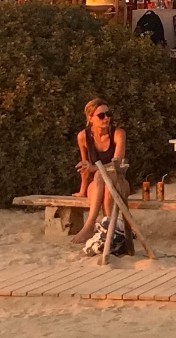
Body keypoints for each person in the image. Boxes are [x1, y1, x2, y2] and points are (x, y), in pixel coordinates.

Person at [71, 99, 128, 244]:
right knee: (100, 179)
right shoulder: (83, 136)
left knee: (101, 176)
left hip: (118, 181)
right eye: (101, 116)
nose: (106, 118)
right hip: (97, 186)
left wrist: (96, 168)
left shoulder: (118, 134)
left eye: (108, 114)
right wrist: (82, 190)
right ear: (90, 118)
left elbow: (118, 163)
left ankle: (91, 225)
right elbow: (85, 168)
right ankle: (109, 230)